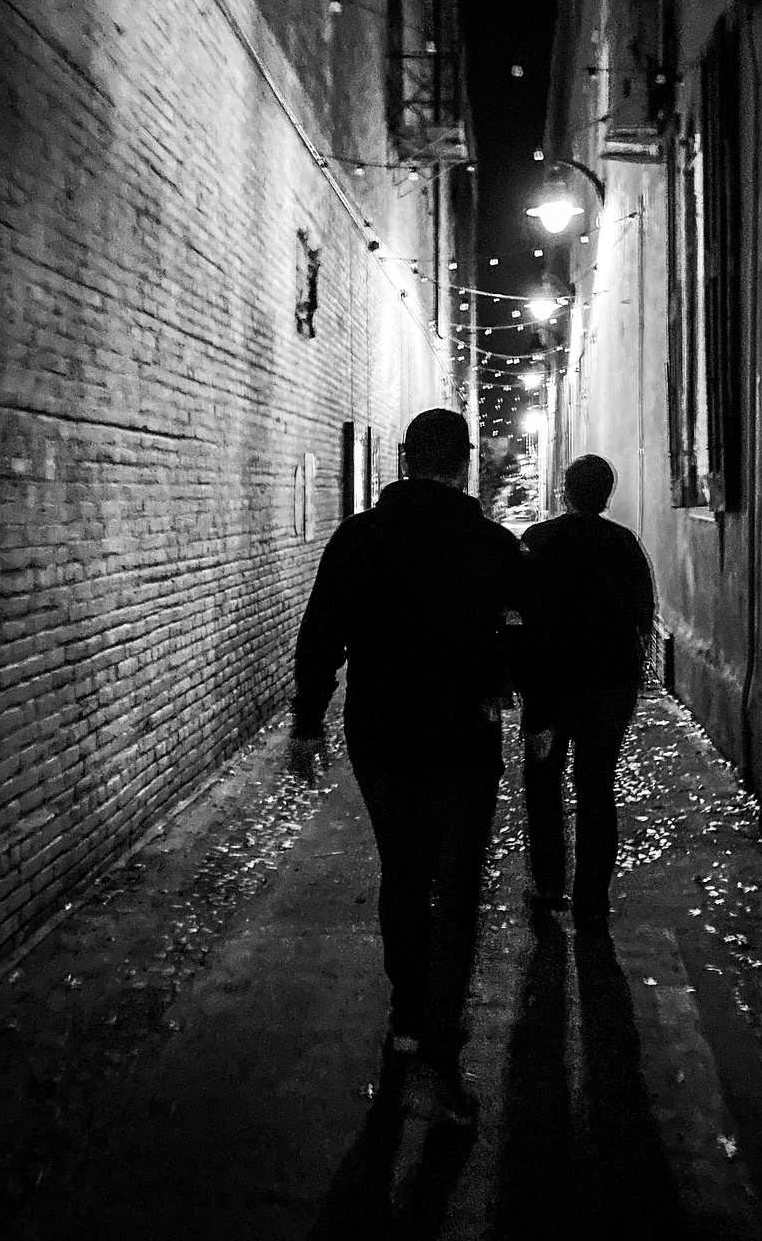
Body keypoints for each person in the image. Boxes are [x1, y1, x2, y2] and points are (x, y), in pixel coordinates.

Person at [291, 408, 534, 1126]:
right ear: (463, 463)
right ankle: (437, 1047)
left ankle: (406, 1018)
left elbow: (322, 634)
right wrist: (505, 681)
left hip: (382, 734)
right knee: (457, 886)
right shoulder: (491, 545)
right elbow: (523, 629)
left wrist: (308, 723)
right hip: (462, 735)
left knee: (402, 870)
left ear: (402, 460)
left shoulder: (360, 539)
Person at [520, 454, 656, 928]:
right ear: (607, 494)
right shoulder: (624, 544)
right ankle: (592, 897)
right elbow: (644, 614)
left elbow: (521, 618)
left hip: (551, 687)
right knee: (597, 786)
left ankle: (550, 885)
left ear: (566, 490)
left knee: (543, 784)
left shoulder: (539, 540)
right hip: (609, 685)